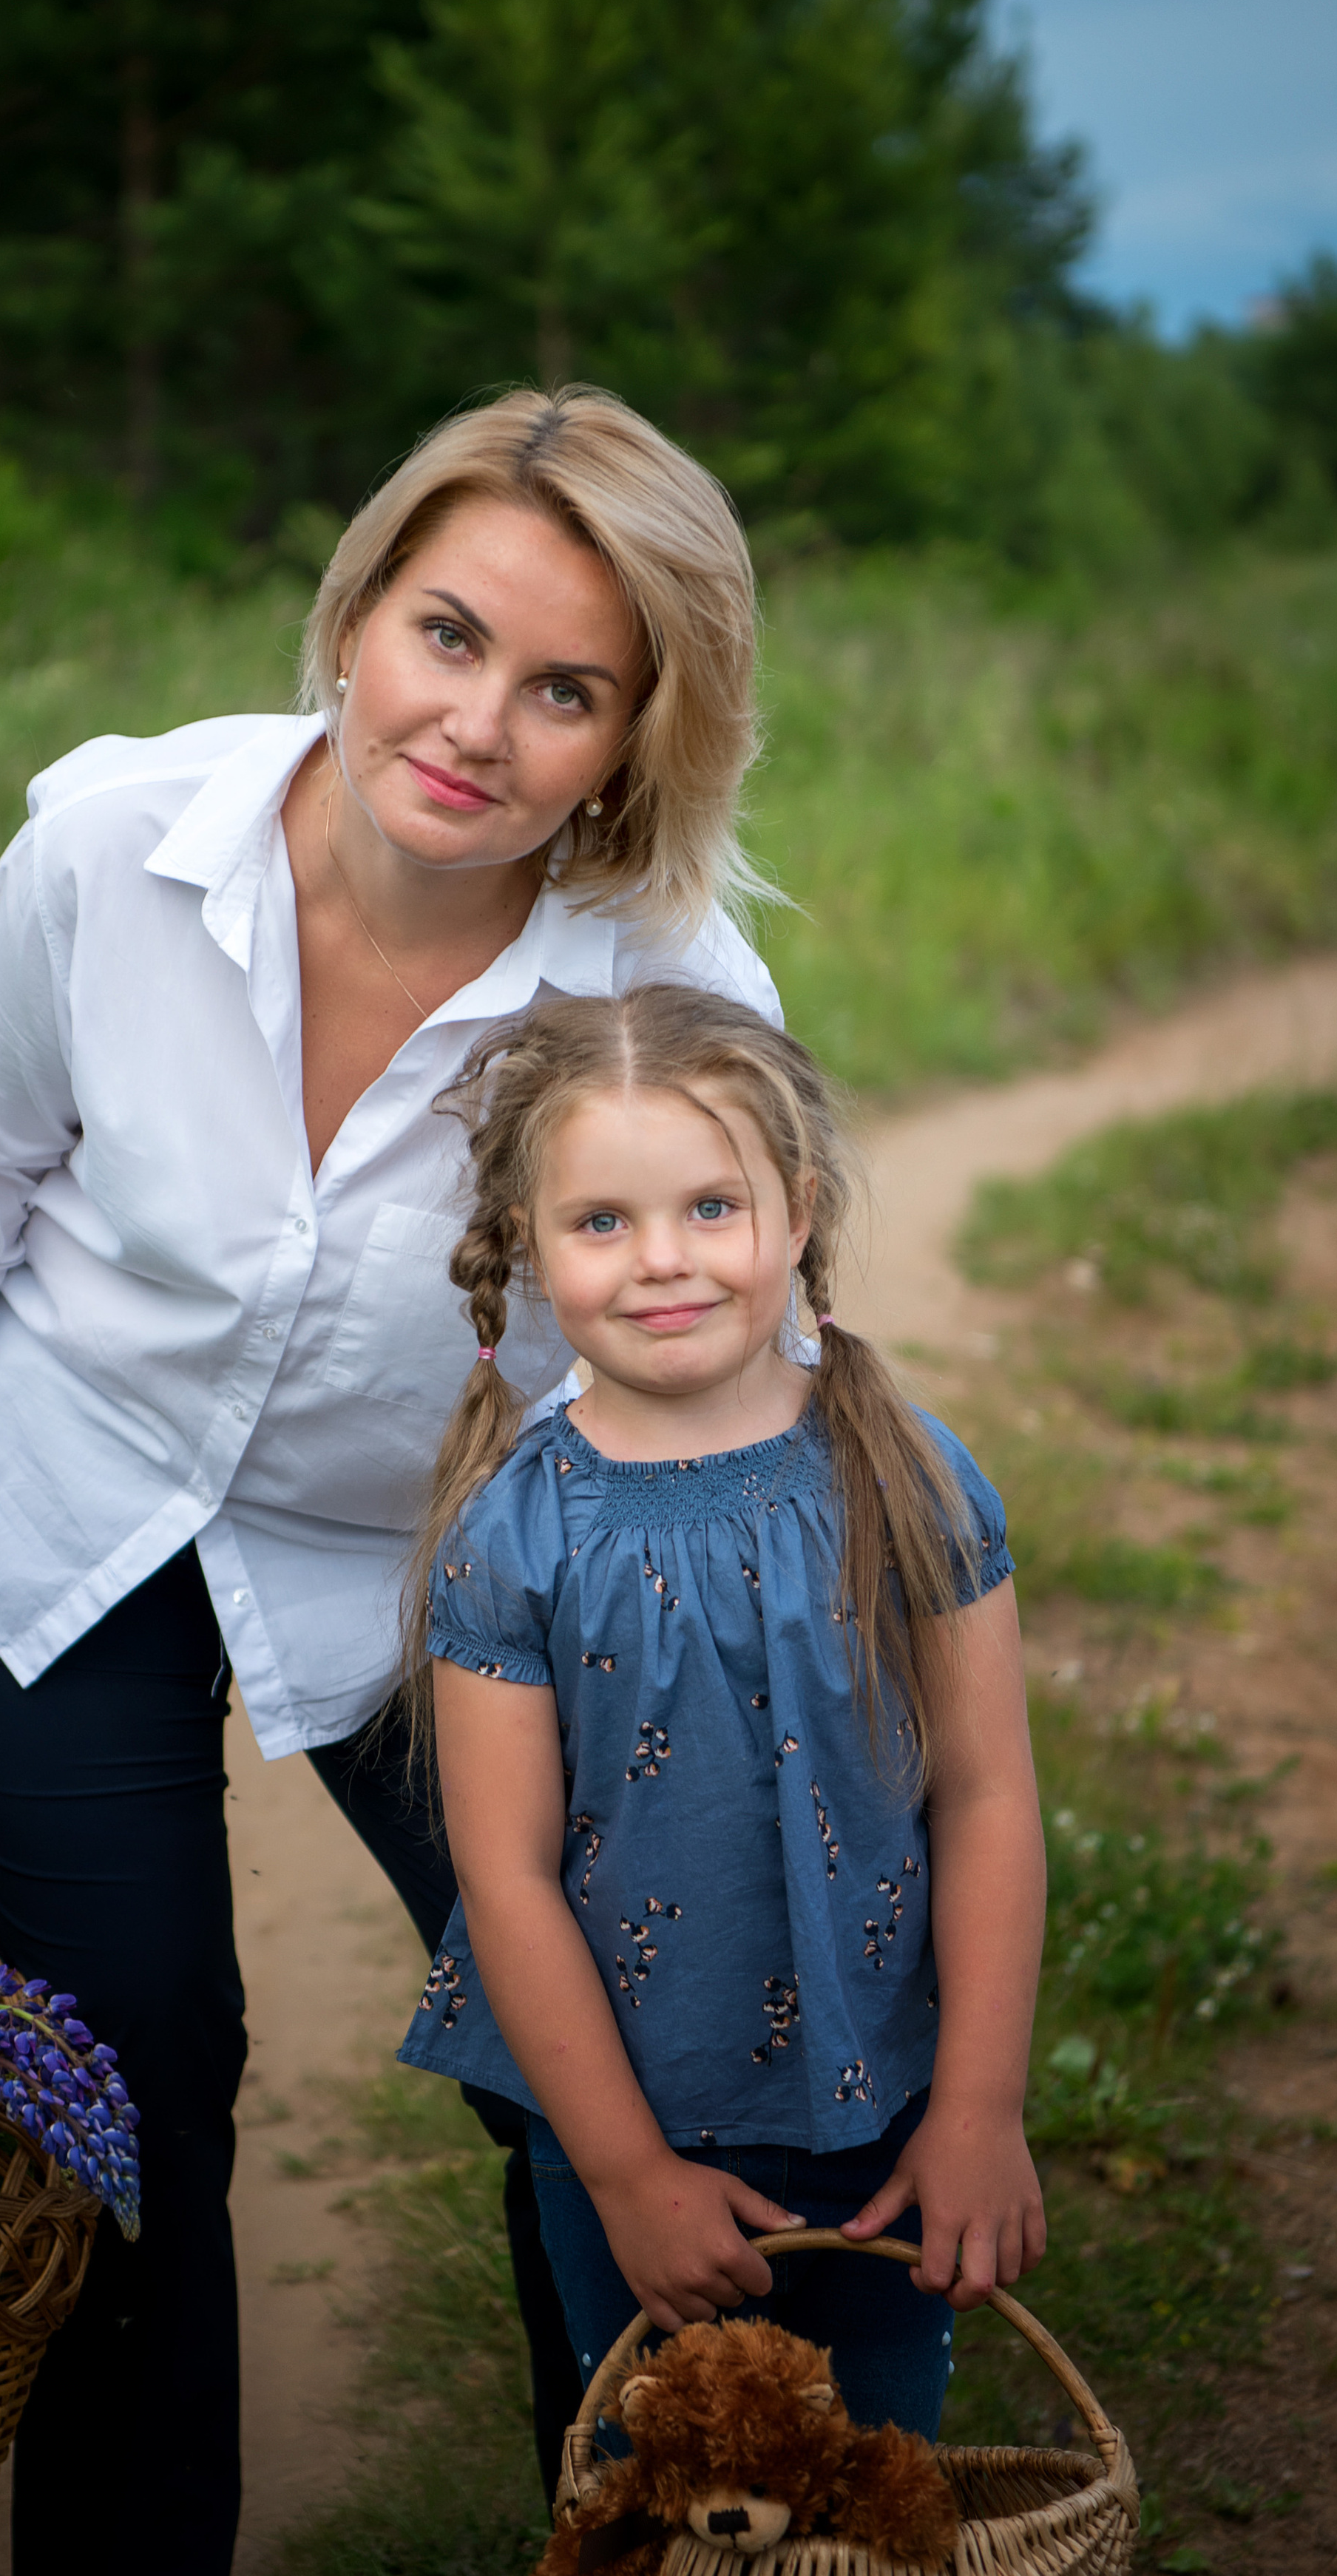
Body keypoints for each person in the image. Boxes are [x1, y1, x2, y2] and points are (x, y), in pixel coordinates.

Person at [0, 389, 786, 2572]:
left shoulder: (664, 994)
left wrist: (759, 1693)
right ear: (359, 608)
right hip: (58, 1498)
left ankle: (644, 2527)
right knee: (131, 2055)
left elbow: (748, 1357)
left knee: (586, 2045)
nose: (477, 725)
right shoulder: (111, 852)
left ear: (638, 740)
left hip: (428, 1570)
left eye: (565, 689)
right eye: (448, 633)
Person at [396, 982, 1047, 2433]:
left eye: (709, 1207)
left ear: (796, 1212)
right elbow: (500, 1879)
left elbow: (985, 1796)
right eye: (601, 1222)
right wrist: (624, 2174)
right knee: (674, 2487)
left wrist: (977, 2110)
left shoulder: (904, 1477)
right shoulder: (513, 1535)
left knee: (871, 2481)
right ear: (524, 1246)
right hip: (627, 2121)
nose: (661, 1264)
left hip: (888, 2106)